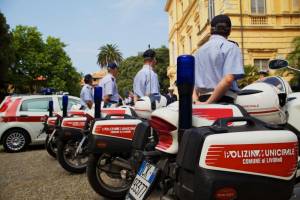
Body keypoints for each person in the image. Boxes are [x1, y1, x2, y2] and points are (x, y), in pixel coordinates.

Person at [194, 14, 244, 104]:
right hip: (224, 100)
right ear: (229, 30)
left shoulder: (199, 51)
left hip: (202, 99)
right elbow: (228, 79)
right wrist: (208, 103)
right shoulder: (231, 47)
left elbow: (192, 83)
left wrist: (196, 101)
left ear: (211, 30)